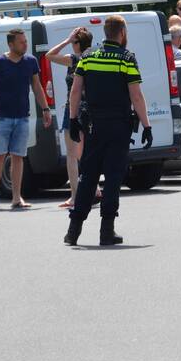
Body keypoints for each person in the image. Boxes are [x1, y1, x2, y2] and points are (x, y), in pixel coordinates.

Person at [65, 15, 153, 246]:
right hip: (118, 126)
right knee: (113, 177)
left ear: (105, 32)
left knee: (88, 177)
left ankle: (73, 231)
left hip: (93, 126)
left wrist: (73, 120)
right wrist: (146, 125)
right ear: (122, 32)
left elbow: (75, 92)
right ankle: (107, 231)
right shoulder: (126, 58)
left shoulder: (87, 56)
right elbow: (136, 95)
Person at [0, 29, 53, 210]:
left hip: (22, 117)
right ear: (11, 44)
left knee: (18, 157)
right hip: (2, 118)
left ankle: (16, 197)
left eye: (25, 41)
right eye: (21, 42)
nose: (25, 44)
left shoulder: (31, 61)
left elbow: (37, 86)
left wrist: (45, 108)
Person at [46, 27, 98, 208]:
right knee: (87, 152)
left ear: (77, 44)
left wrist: (67, 40)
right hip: (91, 110)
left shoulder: (74, 59)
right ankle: (95, 189)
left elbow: (49, 56)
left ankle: (76, 195)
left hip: (74, 109)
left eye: (74, 42)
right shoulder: (94, 58)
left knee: (71, 154)